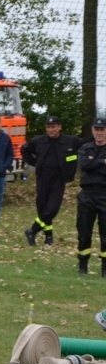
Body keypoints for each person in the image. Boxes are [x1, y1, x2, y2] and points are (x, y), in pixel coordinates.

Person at [21, 116, 81, 247]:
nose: (51, 130)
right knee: (43, 208)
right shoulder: (38, 141)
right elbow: (24, 150)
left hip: (59, 179)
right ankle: (49, 237)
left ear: (59, 127)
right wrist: (34, 162)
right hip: (43, 178)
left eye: (53, 127)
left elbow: (87, 143)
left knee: (52, 208)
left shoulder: (70, 141)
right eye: (48, 127)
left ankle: (32, 230)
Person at [76, 118, 106, 277]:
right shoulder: (85, 148)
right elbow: (83, 166)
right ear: (93, 130)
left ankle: (105, 269)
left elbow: (90, 165)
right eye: (97, 129)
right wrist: (102, 162)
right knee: (84, 231)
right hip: (87, 195)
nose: (99, 132)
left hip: (104, 194)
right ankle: (82, 266)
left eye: (102, 129)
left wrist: (93, 162)